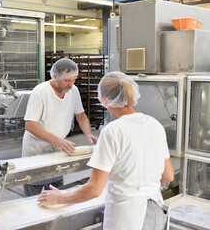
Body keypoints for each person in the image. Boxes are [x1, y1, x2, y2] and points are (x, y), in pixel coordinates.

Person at [37, 72, 174, 229]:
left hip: (127, 216)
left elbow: (94, 190)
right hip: (155, 210)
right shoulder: (154, 124)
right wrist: (144, 187)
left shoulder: (113, 131)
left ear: (102, 99)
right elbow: (168, 175)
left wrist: (61, 198)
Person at [22, 58, 98, 197]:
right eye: (67, 81)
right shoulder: (40, 92)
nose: (71, 84)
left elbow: (80, 115)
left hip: (58, 149)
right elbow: (30, 125)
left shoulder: (73, 91)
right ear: (55, 76)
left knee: (58, 192)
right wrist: (58, 141)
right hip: (37, 149)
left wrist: (88, 134)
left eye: (73, 80)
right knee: (33, 196)